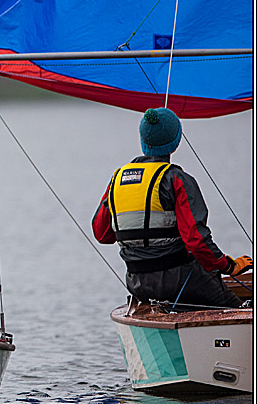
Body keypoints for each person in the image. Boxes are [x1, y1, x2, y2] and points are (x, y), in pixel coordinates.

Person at [92, 107, 252, 308]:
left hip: (137, 284)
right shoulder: (176, 179)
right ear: (175, 143)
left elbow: (102, 233)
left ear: (143, 141)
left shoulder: (117, 180)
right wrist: (228, 265)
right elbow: (196, 240)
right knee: (237, 308)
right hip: (181, 281)